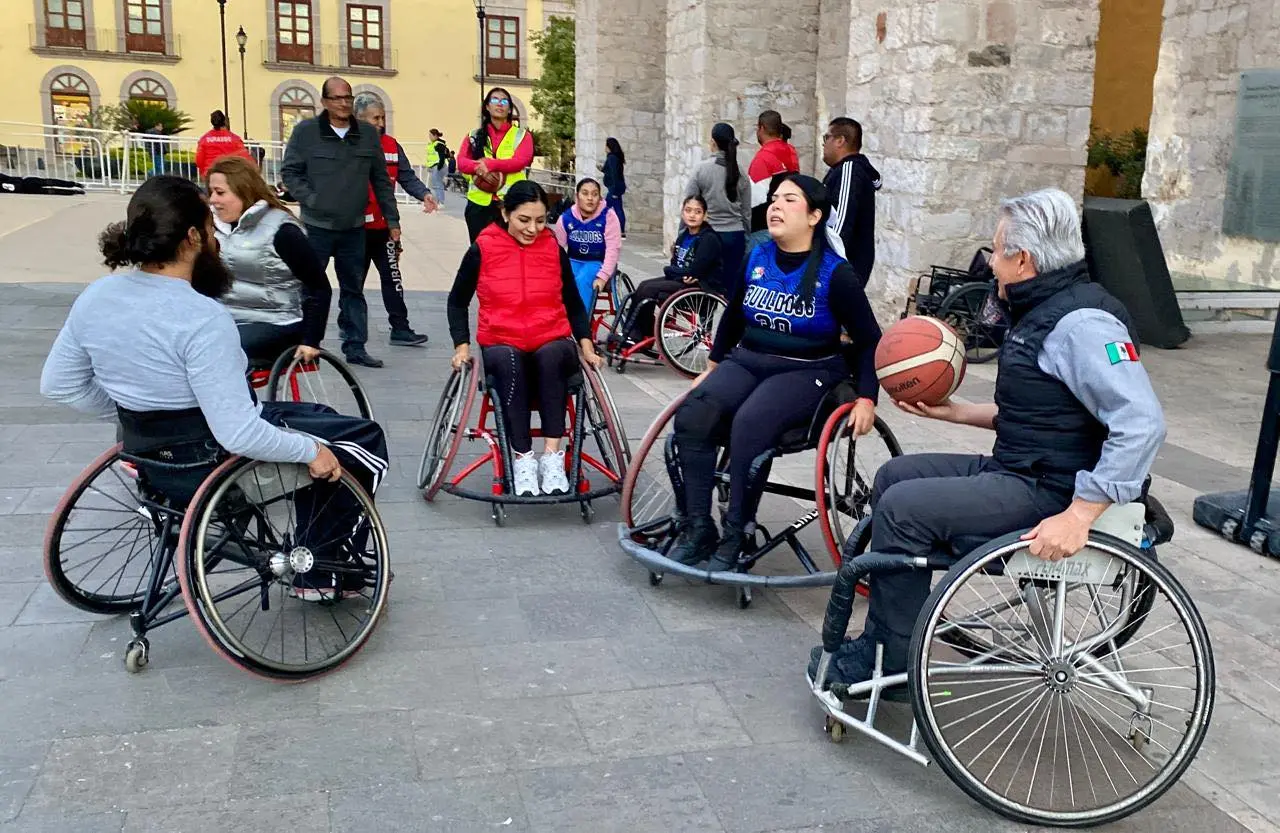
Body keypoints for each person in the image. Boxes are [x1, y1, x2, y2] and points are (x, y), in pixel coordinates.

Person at [808, 187, 1167, 689]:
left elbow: (1142, 422)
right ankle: (889, 636)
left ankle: (890, 663)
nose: (991, 263)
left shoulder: (1083, 324)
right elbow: (1043, 414)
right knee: (893, 477)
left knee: (905, 508)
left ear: (1023, 259)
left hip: (1050, 488)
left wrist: (1079, 516)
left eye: (996, 251)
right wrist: (953, 412)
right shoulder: (1047, 310)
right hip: (1024, 467)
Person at [39, 176, 389, 601]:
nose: (214, 237)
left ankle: (323, 556)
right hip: (212, 455)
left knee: (323, 421)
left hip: (149, 451)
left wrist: (140, 412)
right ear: (191, 238)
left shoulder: (97, 296)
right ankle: (321, 570)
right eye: (209, 228)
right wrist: (310, 452)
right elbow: (238, 433)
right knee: (360, 441)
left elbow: (59, 385)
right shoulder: (202, 318)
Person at [669, 174, 881, 572]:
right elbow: (733, 314)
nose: (776, 206)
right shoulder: (757, 255)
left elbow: (870, 339)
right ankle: (698, 527)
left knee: (751, 422)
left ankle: (737, 532)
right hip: (750, 358)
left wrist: (868, 397)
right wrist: (712, 368)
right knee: (695, 413)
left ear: (815, 216)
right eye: (774, 198)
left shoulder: (836, 274)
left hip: (809, 369)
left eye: (789, 199)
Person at [447, 181, 604, 498]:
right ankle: (522, 460)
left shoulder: (553, 249)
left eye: (540, 220)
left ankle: (552, 457)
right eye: (524, 220)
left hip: (550, 335)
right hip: (502, 338)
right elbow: (457, 301)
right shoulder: (483, 248)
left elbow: (573, 302)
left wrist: (586, 343)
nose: (533, 228)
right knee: (508, 363)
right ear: (505, 213)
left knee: (553, 356)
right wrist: (461, 346)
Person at [281, 76, 399, 369]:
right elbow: (291, 172)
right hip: (317, 227)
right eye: (337, 98)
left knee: (353, 290)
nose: (343, 103)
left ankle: (355, 346)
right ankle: (306, 344)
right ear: (324, 102)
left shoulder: (368, 136)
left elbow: (381, 181)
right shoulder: (306, 133)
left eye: (347, 97)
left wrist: (393, 221)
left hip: (353, 228)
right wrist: (311, 199)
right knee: (310, 287)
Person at [206, 156, 331, 367]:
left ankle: (236, 400)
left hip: (277, 320)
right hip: (227, 317)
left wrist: (311, 340)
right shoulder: (211, 227)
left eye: (220, 193)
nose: (213, 200)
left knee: (219, 349)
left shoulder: (282, 230)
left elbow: (318, 286)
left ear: (243, 191)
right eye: (210, 192)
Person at [353, 92, 438, 348]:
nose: (380, 122)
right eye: (375, 118)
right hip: (356, 229)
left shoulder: (391, 145)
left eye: (383, 117)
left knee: (392, 278)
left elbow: (406, 176)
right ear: (359, 118)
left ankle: (400, 328)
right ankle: (353, 335)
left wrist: (424, 194)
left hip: (384, 227)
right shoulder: (350, 145)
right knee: (353, 286)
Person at [618, 194, 722, 346]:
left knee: (649, 290)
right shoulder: (683, 236)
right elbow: (676, 265)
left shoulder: (709, 238)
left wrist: (673, 270)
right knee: (642, 286)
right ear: (682, 213)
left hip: (699, 289)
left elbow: (695, 270)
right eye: (688, 210)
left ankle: (636, 334)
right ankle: (634, 331)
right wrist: (677, 271)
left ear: (705, 215)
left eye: (697, 212)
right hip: (681, 281)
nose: (692, 215)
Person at [457, 87, 535, 242]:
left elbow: (520, 161)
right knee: (480, 251)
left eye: (504, 101)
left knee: (508, 251)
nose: (500, 104)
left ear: (509, 108)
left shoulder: (521, 135)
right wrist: (478, 168)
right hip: (478, 203)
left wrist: (490, 165)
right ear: (487, 106)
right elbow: (461, 162)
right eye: (495, 100)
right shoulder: (473, 136)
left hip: (509, 204)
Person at [684, 123, 751, 296]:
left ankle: (704, 323)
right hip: (735, 236)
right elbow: (746, 213)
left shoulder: (701, 169)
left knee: (705, 288)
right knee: (731, 289)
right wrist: (747, 237)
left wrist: (682, 235)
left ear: (713, 142)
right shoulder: (741, 173)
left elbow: (689, 206)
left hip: (708, 235)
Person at [822, 117, 881, 286]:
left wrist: (821, 260)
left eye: (827, 138)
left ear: (840, 141)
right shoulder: (842, 170)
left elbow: (840, 223)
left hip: (842, 266)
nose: (824, 144)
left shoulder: (850, 170)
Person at [551, 177, 622, 313]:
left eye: (595, 194)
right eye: (585, 193)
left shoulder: (609, 216)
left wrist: (603, 276)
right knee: (560, 281)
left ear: (600, 198)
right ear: (577, 196)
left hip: (598, 262)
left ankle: (581, 323)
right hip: (573, 260)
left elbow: (613, 249)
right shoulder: (566, 218)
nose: (590, 198)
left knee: (582, 280)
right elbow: (557, 248)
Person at [747, 110, 800, 247]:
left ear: (761, 128)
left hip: (764, 229)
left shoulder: (763, 158)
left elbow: (755, 201)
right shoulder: (791, 152)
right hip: (789, 226)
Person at [195, 110, 253, 181]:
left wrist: (202, 173)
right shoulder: (235, 139)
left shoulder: (204, 139)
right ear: (224, 121)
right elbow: (245, 157)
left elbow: (199, 161)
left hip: (210, 175)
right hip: (229, 175)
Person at [601, 138, 627, 239]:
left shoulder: (612, 158)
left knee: (604, 209)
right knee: (618, 208)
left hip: (614, 188)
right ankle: (621, 231)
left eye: (606, 146)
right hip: (617, 187)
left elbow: (614, 174)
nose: (605, 148)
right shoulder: (616, 158)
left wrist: (615, 190)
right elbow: (610, 170)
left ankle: (601, 227)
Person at [426, 129, 450, 205]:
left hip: (437, 166)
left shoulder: (438, 144)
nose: (429, 137)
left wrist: (439, 167)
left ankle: (440, 202)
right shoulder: (433, 144)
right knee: (435, 185)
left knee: (438, 185)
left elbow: (442, 157)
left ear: (435, 136)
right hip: (433, 166)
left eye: (431, 135)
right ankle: (437, 201)